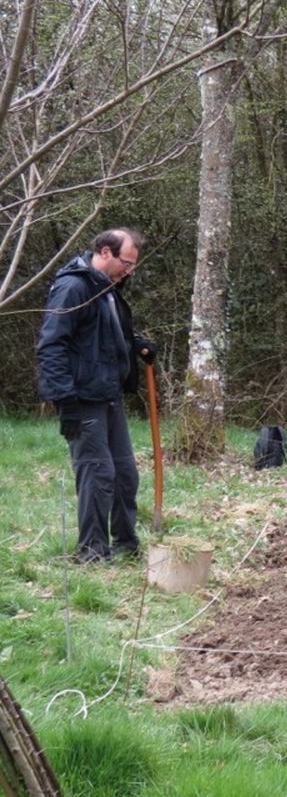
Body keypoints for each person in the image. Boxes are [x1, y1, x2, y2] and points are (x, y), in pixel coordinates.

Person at [35, 228, 158, 563]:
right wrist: (65, 401)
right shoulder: (74, 287)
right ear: (105, 252)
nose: (129, 270)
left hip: (109, 395)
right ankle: (91, 552)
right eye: (126, 262)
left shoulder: (107, 289)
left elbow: (106, 336)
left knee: (124, 474)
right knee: (97, 473)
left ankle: (126, 546)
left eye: (133, 264)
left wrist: (138, 346)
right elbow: (51, 345)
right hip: (83, 398)